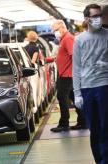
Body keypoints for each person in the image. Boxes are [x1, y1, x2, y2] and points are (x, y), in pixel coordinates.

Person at [73, 4, 108, 164]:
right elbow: (76, 67)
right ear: (87, 19)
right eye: (94, 16)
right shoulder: (79, 39)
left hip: (104, 86)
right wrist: (77, 93)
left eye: (100, 15)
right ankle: (99, 160)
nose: (98, 19)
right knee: (94, 129)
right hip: (87, 89)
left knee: (105, 127)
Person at [48, 20, 86, 132]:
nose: (54, 32)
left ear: (61, 28)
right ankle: (83, 121)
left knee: (62, 97)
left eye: (55, 30)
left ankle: (64, 123)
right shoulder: (64, 39)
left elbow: (74, 56)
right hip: (67, 74)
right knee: (74, 98)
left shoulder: (68, 38)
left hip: (67, 75)